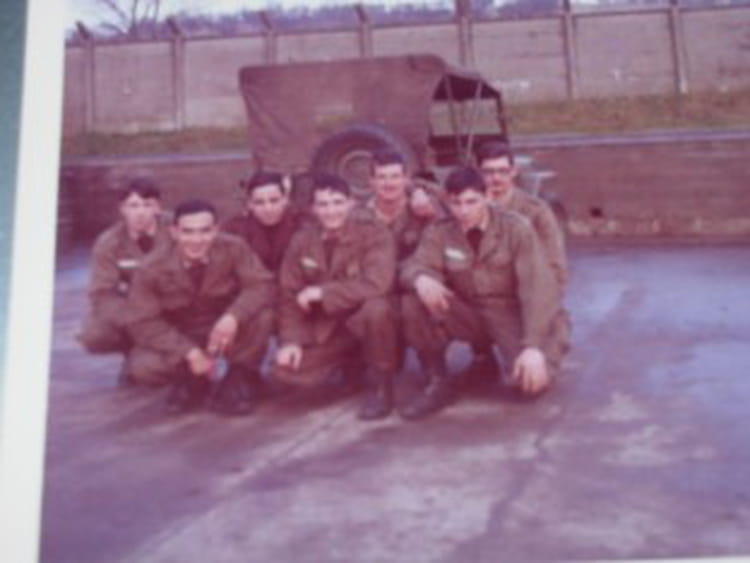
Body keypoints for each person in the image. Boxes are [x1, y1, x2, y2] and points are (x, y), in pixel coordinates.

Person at [400, 166, 565, 420]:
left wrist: (533, 346)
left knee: (530, 386)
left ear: (487, 196)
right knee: (413, 303)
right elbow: (415, 264)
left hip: (510, 313)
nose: (463, 211)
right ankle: (438, 380)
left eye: (471, 202)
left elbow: (538, 288)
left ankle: (540, 350)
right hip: (470, 312)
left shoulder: (516, 228)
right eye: (456, 203)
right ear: (447, 201)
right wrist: (420, 277)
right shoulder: (441, 231)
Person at [127, 199, 275, 415]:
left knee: (263, 316)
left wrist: (233, 317)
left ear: (216, 230)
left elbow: (261, 285)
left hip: (224, 331)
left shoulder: (234, 248)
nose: (197, 240)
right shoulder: (151, 267)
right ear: (174, 232)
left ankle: (239, 376)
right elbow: (142, 322)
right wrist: (189, 352)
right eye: (188, 232)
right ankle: (191, 378)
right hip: (182, 333)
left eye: (205, 231)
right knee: (144, 366)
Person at [274, 172, 399, 420]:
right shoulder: (302, 240)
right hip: (329, 326)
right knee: (285, 373)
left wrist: (323, 292)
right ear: (313, 208)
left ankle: (381, 383)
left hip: (366, 322)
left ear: (351, 203)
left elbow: (377, 283)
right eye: (323, 204)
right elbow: (288, 294)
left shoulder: (374, 233)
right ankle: (350, 364)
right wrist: (291, 341)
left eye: (337, 202)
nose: (331, 211)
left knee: (377, 308)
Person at [476, 140, 571, 371]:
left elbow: (556, 271)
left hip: (525, 303)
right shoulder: (468, 207)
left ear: (514, 171)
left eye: (502, 171)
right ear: (478, 172)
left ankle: (553, 336)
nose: (496, 179)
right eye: (488, 172)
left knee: (530, 379)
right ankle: (481, 353)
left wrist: (541, 315)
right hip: (486, 302)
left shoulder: (536, 212)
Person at [77, 177, 171, 385]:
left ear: (158, 207)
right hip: (132, 312)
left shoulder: (177, 230)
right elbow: (102, 294)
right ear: (122, 209)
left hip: (173, 308)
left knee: (146, 371)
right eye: (133, 205)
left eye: (148, 205)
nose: (140, 212)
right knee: (95, 334)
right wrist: (135, 319)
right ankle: (132, 351)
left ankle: (169, 357)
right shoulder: (109, 242)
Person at [223, 170, 308, 274]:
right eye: (259, 202)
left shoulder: (303, 225)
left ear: (285, 200)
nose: (268, 209)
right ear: (249, 204)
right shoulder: (234, 230)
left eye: (274, 200)